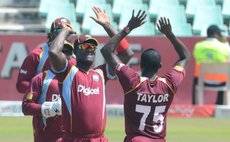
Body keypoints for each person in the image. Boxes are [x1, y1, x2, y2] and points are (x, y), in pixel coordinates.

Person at [101, 11, 191, 142]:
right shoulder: (170, 83)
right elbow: (186, 56)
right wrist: (169, 34)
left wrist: (128, 28)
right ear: (160, 65)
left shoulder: (133, 81)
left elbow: (106, 51)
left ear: (141, 65)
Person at [48, 6, 133, 141]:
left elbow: (126, 54)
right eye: (85, 46)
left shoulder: (101, 73)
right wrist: (64, 31)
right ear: (76, 51)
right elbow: (53, 52)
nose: (90, 50)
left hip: (99, 139)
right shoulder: (68, 72)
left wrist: (107, 26)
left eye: (93, 47)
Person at [21, 41, 74, 142]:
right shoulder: (40, 78)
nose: (64, 55)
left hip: (72, 137)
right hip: (47, 137)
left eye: (68, 52)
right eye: (61, 51)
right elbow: (26, 107)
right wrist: (50, 108)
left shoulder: (78, 78)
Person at [16, 17, 76, 94]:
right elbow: (21, 85)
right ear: (51, 34)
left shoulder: (75, 57)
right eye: (60, 30)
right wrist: (45, 88)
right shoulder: (37, 55)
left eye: (67, 31)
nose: (63, 34)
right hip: (42, 104)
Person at [193, 25, 230, 105]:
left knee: (197, 74)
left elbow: (196, 57)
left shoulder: (198, 46)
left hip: (203, 81)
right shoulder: (225, 47)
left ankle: (195, 107)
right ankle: (220, 105)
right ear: (216, 35)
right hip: (221, 81)